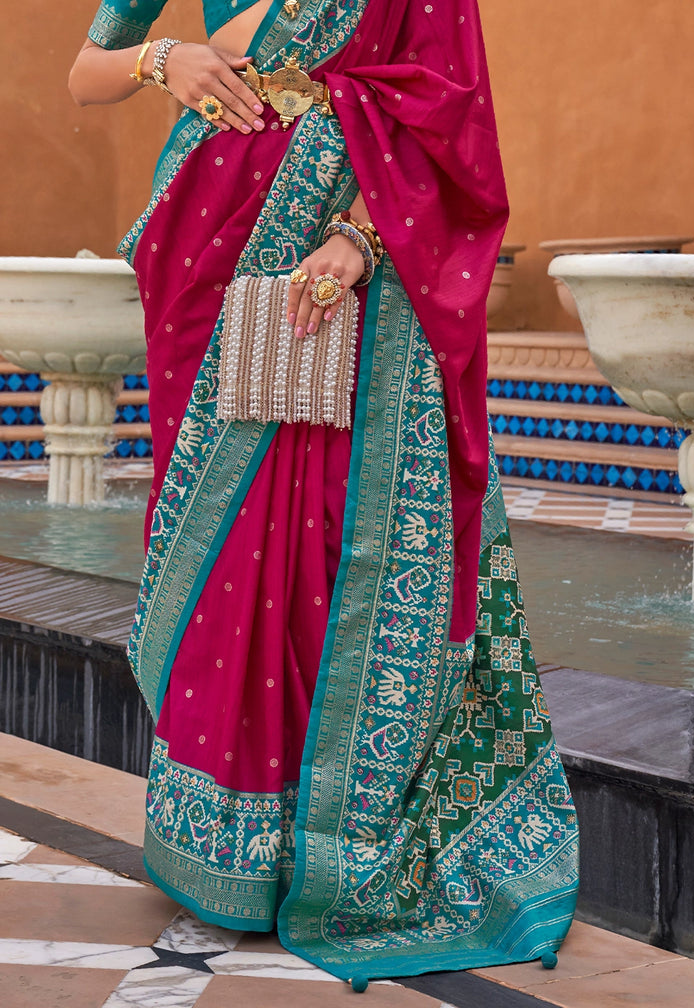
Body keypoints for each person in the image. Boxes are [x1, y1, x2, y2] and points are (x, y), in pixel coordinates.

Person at [69, 0, 579, 987]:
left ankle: (334, 846)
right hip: (210, 255)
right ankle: (226, 847)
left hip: (356, 256)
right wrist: (162, 59)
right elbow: (88, 73)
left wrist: (359, 231)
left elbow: (449, 102)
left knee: (333, 542)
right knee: (222, 558)